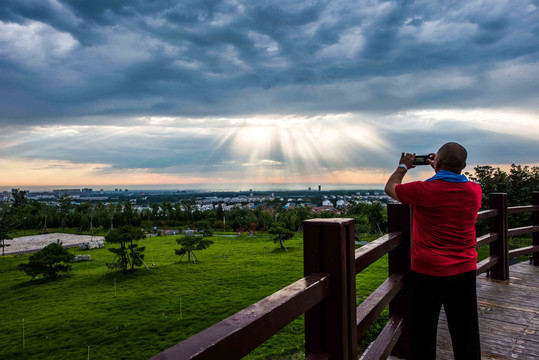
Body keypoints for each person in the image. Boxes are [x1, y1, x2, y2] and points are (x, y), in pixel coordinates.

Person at [384, 142, 482, 360]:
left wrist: (403, 167)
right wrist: (440, 168)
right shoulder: (475, 191)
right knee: (465, 331)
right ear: (464, 165)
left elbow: (391, 188)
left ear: (437, 162)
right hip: (464, 270)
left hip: (428, 271)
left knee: (423, 331)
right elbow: (451, 183)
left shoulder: (423, 191)